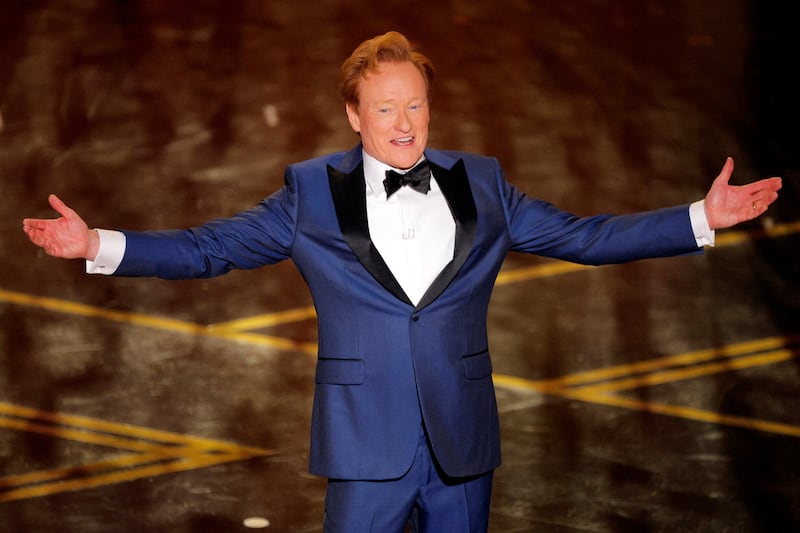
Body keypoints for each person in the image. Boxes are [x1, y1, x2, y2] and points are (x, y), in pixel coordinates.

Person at [22, 31, 781, 532]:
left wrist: (696, 218)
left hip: (462, 447)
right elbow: (210, 247)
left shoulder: (482, 183)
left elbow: (585, 236)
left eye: (415, 104)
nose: (405, 123)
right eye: (385, 108)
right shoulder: (309, 192)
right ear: (354, 114)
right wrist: (100, 243)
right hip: (364, 450)